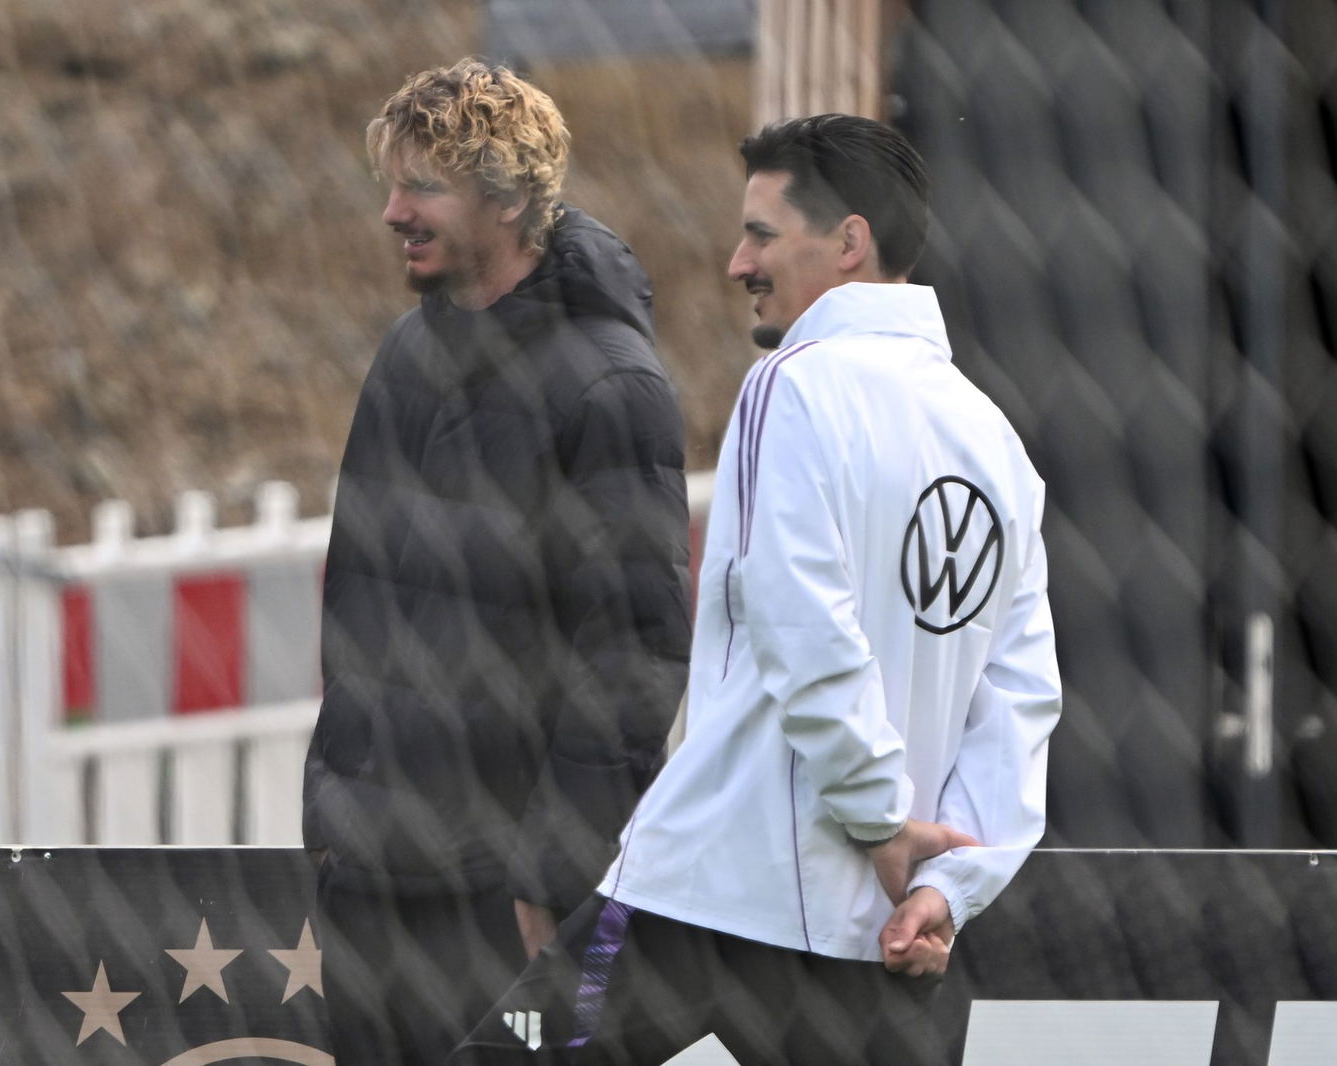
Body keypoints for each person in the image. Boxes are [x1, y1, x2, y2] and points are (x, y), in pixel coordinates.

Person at [452, 115, 1062, 1065]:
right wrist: (948, 882)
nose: (737, 263)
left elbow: (801, 621)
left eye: (763, 235)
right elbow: (1021, 704)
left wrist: (879, 820)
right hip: (877, 924)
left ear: (850, 241)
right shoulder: (995, 442)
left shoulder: (795, 385)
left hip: (711, 892)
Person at [302, 58, 693, 1065]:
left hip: (494, 904)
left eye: (422, 185)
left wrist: (548, 880)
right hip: (370, 881)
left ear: (511, 197)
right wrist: (336, 816)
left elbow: (633, 656)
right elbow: (355, 603)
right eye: (389, 184)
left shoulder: (610, 385)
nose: (391, 212)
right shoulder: (404, 353)